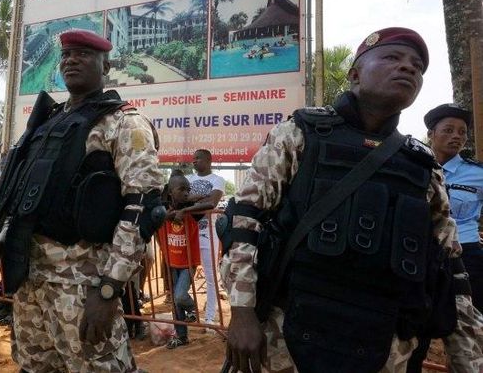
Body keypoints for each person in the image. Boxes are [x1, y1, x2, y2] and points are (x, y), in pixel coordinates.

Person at [220, 27, 470, 373]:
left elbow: (450, 268)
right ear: (354, 75)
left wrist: (466, 359)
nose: (409, 68)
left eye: (417, 65)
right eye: (393, 58)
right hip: (287, 343)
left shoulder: (423, 167)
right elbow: (245, 220)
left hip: (386, 349)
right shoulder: (299, 133)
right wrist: (242, 312)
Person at [7, 29, 165, 372]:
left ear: (104, 64)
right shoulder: (45, 125)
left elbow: (142, 209)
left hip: (84, 285)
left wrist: (110, 289)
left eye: (82, 54)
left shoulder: (125, 123)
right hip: (32, 283)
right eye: (66, 55)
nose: (71, 60)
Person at [403, 103, 483, 373]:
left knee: (468, 332)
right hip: (423, 257)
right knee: (416, 328)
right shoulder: (412, 167)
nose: (457, 136)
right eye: (448, 130)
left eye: (462, 132)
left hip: (467, 259)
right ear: (430, 134)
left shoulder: (478, 174)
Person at [158, 174, 214, 349]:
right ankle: (182, 336)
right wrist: (166, 215)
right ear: (169, 191)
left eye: (188, 189)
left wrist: (184, 211)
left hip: (188, 262)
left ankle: (193, 311)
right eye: (181, 189)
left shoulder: (192, 208)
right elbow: (151, 214)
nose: (186, 193)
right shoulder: (162, 208)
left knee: (181, 296)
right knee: (175, 302)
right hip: (171, 261)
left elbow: (211, 204)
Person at [186, 149, 225, 326]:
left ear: (209, 160)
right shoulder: (188, 179)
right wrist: (202, 198)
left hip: (208, 234)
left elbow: (213, 203)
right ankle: (189, 312)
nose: (194, 161)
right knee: (183, 276)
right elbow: (179, 199)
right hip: (188, 235)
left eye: (198, 158)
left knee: (211, 277)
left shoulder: (218, 180)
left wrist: (190, 202)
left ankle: (209, 317)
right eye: (193, 159)